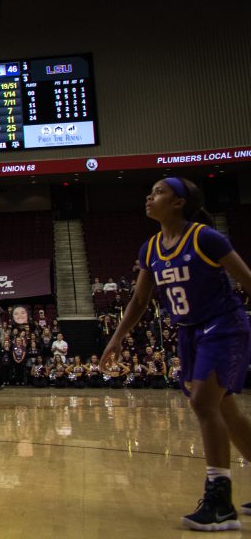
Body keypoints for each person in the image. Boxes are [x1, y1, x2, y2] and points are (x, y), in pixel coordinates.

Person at [101, 177, 251, 531]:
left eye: (158, 192)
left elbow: (247, 280)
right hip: (189, 332)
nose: (149, 197)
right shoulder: (150, 249)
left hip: (224, 325)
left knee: (203, 403)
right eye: (150, 191)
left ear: (179, 202)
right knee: (225, 411)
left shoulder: (206, 238)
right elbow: (140, 301)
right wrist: (116, 339)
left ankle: (220, 502)